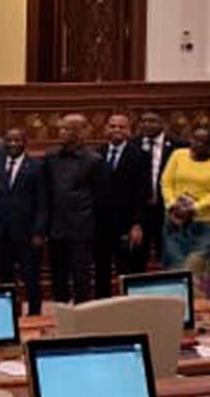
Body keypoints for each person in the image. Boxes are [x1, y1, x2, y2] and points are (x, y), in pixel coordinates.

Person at [0, 127, 46, 315]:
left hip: (27, 233)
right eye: (9, 140)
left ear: (25, 143)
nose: (13, 144)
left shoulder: (36, 166)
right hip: (0, 232)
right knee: (3, 277)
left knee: (30, 277)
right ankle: (7, 315)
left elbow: (42, 202)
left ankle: (34, 314)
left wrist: (39, 231)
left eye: (17, 140)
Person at [162, 124, 210, 299]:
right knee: (175, 268)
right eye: (194, 139)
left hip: (205, 223)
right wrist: (172, 205)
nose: (196, 144)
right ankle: (177, 314)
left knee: (197, 270)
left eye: (202, 141)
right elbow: (166, 182)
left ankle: (202, 314)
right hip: (175, 220)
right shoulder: (178, 155)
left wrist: (193, 208)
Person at [45, 114, 102, 305]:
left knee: (81, 276)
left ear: (80, 132)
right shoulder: (51, 157)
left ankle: (82, 317)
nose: (61, 132)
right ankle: (61, 314)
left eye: (67, 129)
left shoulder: (93, 160)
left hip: (82, 227)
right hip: (57, 225)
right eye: (60, 128)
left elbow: (99, 196)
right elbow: (47, 192)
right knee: (58, 275)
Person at [94, 113, 151, 296]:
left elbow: (143, 193)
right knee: (101, 270)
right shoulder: (96, 154)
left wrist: (137, 224)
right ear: (105, 129)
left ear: (129, 130)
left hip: (127, 225)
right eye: (112, 126)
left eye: (121, 126)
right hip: (100, 225)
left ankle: (130, 313)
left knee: (127, 271)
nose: (116, 130)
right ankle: (101, 310)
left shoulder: (140, 155)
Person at [136, 111, 185, 269]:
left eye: (152, 121)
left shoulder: (178, 145)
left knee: (169, 254)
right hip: (141, 210)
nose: (147, 125)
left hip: (167, 208)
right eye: (144, 121)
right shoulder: (133, 144)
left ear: (163, 123)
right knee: (137, 256)